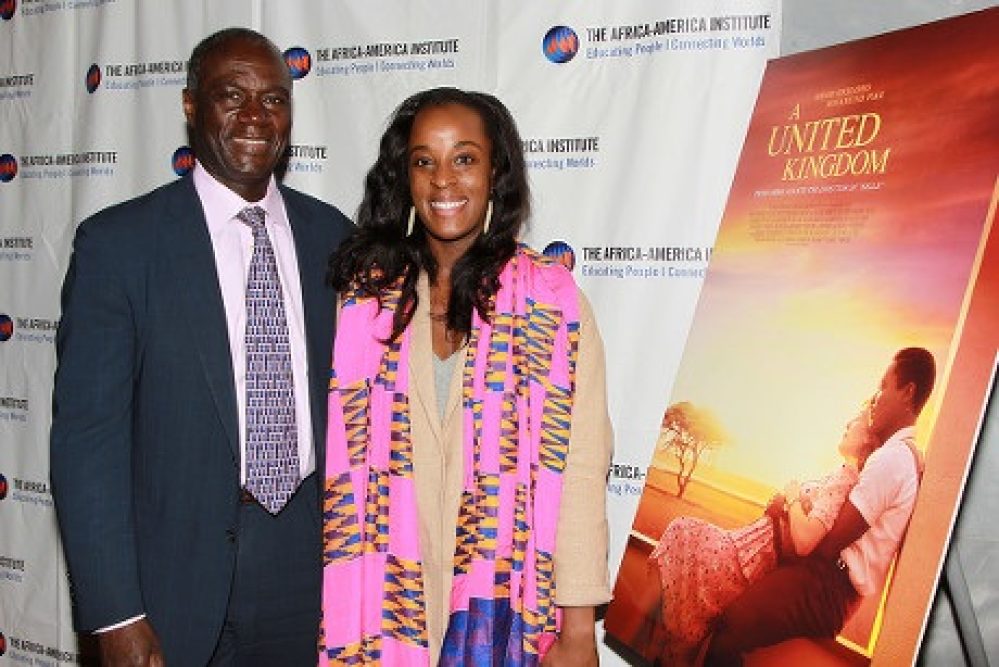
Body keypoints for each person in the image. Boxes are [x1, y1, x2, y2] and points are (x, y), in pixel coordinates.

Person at [50, 28, 353, 666]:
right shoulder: (120, 245)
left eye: (273, 99)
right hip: (172, 579)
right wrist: (114, 613)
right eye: (230, 96)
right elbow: (87, 443)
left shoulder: (334, 238)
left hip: (312, 569)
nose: (254, 117)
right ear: (191, 106)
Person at [319, 87, 613, 666]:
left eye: (464, 158)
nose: (443, 181)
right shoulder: (365, 300)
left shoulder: (553, 303)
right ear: (404, 177)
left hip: (501, 603)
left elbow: (578, 468)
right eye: (424, 161)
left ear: (495, 170)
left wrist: (578, 630)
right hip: (385, 595)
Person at [703, 347, 935, 666]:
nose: (876, 396)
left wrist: (791, 507)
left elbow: (827, 546)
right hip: (830, 586)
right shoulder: (905, 456)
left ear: (908, 393)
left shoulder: (892, 460)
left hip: (826, 586)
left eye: (883, 385)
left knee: (732, 622)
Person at [649, 405, 879, 666]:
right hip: (744, 547)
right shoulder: (840, 475)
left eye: (856, 420)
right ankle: (669, 648)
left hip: (747, 559)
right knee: (682, 541)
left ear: (868, 438)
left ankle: (662, 647)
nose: (847, 423)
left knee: (682, 532)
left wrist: (791, 497)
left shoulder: (843, 479)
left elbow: (805, 541)